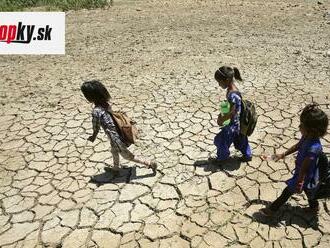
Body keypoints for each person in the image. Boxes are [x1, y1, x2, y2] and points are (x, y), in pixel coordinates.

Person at [260, 104, 329, 216]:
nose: (299, 127)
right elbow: (298, 145)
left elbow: (306, 167)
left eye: (301, 125)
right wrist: (283, 154)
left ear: (311, 130)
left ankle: (272, 210)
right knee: (308, 191)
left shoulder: (314, 148)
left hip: (304, 175)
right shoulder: (307, 136)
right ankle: (314, 207)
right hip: (302, 173)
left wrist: (300, 181)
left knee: (287, 191)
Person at [81, 80, 157, 175]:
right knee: (114, 151)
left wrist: (93, 136)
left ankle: (150, 163)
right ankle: (116, 169)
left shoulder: (96, 111)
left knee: (127, 156)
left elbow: (96, 127)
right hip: (117, 133)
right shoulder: (106, 104)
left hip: (115, 137)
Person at [212, 66, 252, 163]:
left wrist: (221, 120)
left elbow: (232, 112)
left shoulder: (232, 95)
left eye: (219, 82)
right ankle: (247, 155)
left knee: (220, 141)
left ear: (226, 80)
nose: (219, 84)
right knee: (241, 140)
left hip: (232, 126)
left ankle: (222, 159)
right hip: (238, 124)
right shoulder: (233, 89)